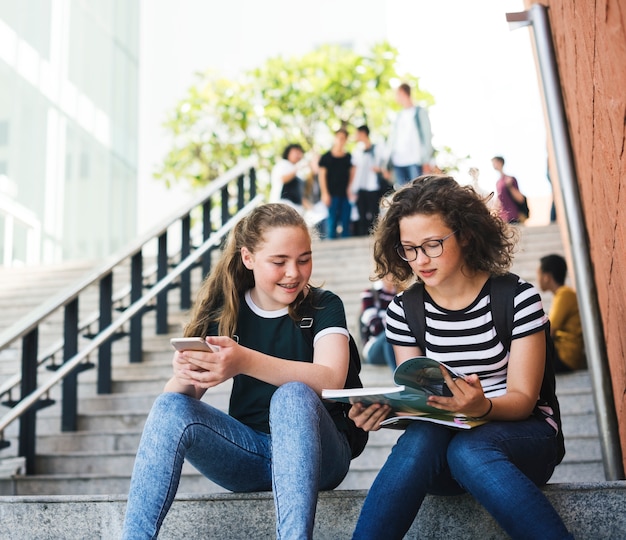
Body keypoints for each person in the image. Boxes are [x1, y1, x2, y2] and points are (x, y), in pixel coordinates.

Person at [349, 175, 573, 540]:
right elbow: (420, 397)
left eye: (432, 244)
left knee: (470, 449)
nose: (420, 260)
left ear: (466, 234)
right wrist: (388, 411)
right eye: (409, 248)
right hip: (442, 450)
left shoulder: (518, 299)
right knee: (425, 437)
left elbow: (522, 401)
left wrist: (480, 408)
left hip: (523, 444)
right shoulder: (403, 312)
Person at [122, 203, 353, 539]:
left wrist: (244, 360)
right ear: (248, 258)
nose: (294, 272)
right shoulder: (228, 311)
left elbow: (332, 378)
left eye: (304, 259)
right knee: (168, 405)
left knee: (292, 394)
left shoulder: (324, 305)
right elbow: (175, 410)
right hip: (250, 454)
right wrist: (186, 371)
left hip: (320, 456)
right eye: (279, 261)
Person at [537, 254, 585, 372]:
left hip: (566, 356)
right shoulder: (562, 295)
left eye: (539, 274)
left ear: (547, 277)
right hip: (565, 353)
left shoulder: (564, 295)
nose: (537, 279)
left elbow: (550, 330)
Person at [387, 82, 434, 187]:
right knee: (403, 196)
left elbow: (427, 136)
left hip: (415, 160)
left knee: (417, 192)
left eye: (397, 94)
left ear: (403, 93)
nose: (396, 98)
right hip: (398, 161)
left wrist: (426, 160)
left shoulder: (419, 112)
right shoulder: (398, 116)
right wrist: (387, 163)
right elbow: (393, 140)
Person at [351, 125, 390, 236]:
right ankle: (363, 236)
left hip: (374, 186)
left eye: (357, 134)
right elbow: (354, 170)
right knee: (361, 213)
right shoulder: (357, 151)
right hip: (360, 186)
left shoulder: (377, 148)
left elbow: (385, 163)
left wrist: (381, 169)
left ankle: (376, 235)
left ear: (363, 133)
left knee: (374, 212)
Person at [318, 127, 355, 239]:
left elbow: (352, 172)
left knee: (346, 221)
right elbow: (321, 176)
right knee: (332, 222)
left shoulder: (348, 157)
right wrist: (324, 193)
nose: (340, 140)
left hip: (345, 194)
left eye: (343, 138)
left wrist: (350, 188)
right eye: (338, 138)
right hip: (331, 194)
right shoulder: (326, 157)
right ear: (335, 138)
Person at [359, 274, 397, 370]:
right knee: (389, 334)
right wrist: (397, 323)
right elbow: (375, 327)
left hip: (396, 346)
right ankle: (399, 382)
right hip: (374, 348)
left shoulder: (402, 295)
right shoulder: (370, 293)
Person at [269, 143, 309, 213]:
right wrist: (297, 168)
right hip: (282, 205)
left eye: (300, 153)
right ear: (288, 152)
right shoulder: (283, 164)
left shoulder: (299, 171)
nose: (298, 155)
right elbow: (283, 179)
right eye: (295, 152)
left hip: (296, 208)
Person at [492, 155, 525, 223]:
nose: (493, 165)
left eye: (494, 162)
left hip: (513, 217)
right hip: (503, 219)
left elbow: (520, 199)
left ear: (500, 162)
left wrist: (510, 186)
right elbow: (499, 200)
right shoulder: (498, 182)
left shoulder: (511, 179)